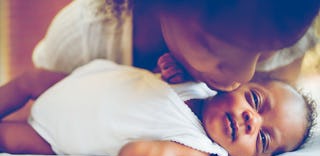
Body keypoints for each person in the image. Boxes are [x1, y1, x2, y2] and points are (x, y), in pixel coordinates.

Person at [0, 59, 316, 156]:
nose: (252, 120)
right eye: (256, 101)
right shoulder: (201, 84)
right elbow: (150, 86)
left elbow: (141, 154)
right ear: (236, 84)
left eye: (262, 138)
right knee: (31, 79)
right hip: (83, 82)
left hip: (60, 135)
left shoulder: (200, 148)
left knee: (9, 137)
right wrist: (169, 68)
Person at [31, 0, 320, 91]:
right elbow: (33, 108)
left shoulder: (283, 37)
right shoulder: (84, 36)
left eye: (271, 48)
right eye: (213, 47)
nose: (245, 76)